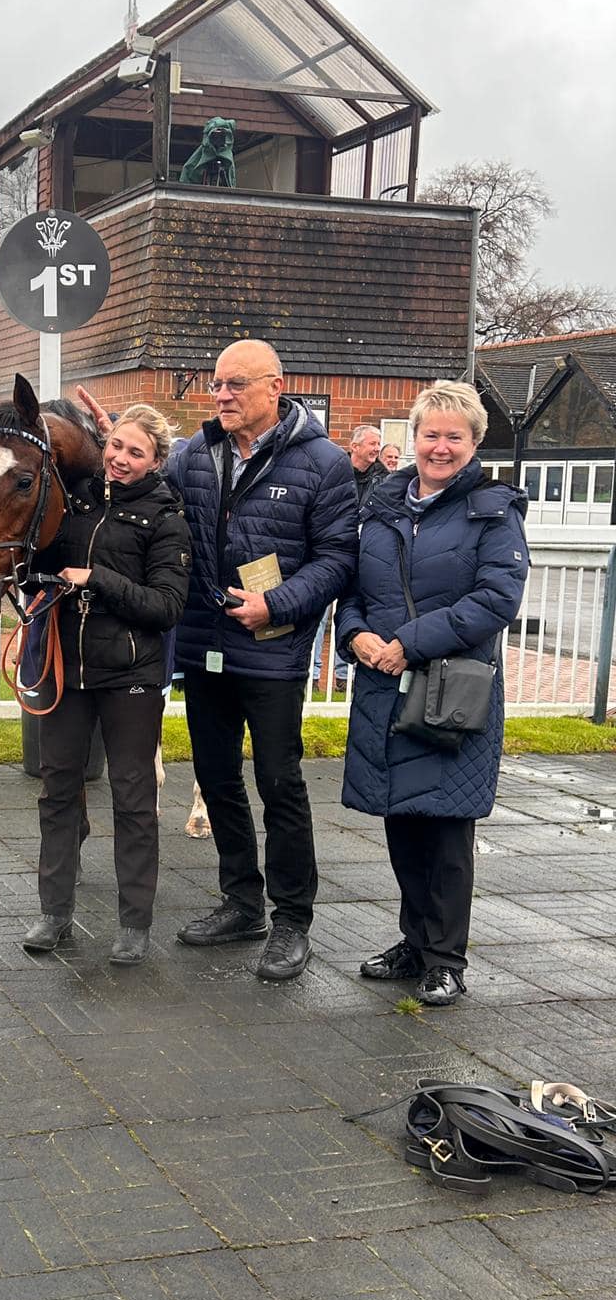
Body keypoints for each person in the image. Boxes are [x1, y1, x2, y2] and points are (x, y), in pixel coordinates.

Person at [170, 339, 357, 981]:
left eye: (236, 385)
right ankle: (241, 902)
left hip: (272, 653)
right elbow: (150, 513)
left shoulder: (324, 462)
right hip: (204, 647)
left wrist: (275, 605)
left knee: (279, 783)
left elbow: (337, 558)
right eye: (217, 383)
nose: (221, 395)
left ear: (275, 387)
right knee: (216, 777)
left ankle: (293, 920)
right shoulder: (193, 455)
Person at [337, 381, 528, 1005]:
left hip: (450, 691)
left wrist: (409, 642)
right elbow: (358, 591)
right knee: (402, 821)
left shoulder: (494, 511)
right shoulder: (383, 507)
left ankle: (447, 958)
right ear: (412, 438)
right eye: (430, 434)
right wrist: (356, 635)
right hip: (385, 685)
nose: (440, 447)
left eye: (454, 436)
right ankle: (415, 942)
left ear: (474, 443)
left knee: (446, 832)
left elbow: (497, 597)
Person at [21, 404, 191, 966]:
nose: (119, 459)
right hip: (67, 672)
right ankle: (54, 912)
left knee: (134, 796)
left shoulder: (167, 518)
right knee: (58, 789)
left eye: (135, 452)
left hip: (131, 678)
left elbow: (165, 606)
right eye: (116, 446)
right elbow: (39, 555)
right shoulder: (79, 499)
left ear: (157, 461)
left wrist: (100, 580)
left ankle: (134, 923)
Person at [312, 424, 387, 687]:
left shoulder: (384, 479)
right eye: (371, 443)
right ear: (354, 446)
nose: (377, 448)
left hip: (363, 556)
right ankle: (314, 674)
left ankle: (343, 676)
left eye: (379, 443)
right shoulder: (333, 471)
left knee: (354, 612)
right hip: (329, 553)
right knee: (318, 614)